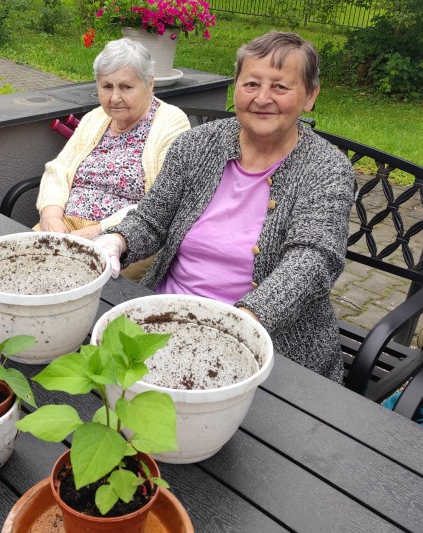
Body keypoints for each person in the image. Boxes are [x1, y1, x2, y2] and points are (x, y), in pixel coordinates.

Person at [94, 31, 356, 382]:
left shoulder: (325, 167)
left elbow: (312, 260)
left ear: (310, 96)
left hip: (266, 341)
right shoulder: (196, 146)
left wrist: (243, 320)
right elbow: (152, 220)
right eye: (251, 84)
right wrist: (117, 241)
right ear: (236, 88)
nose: (263, 98)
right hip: (166, 316)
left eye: (280, 87)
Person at [35, 37, 190, 280]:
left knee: (70, 283)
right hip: (64, 226)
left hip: (125, 240)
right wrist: (50, 215)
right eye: (107, 87)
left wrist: (98, 231)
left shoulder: (171, 123)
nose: (115, 97)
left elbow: (162, 202)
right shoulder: (96, 118)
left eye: (126, 87)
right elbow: (60, 168)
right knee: (27, 270)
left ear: (149, 85)